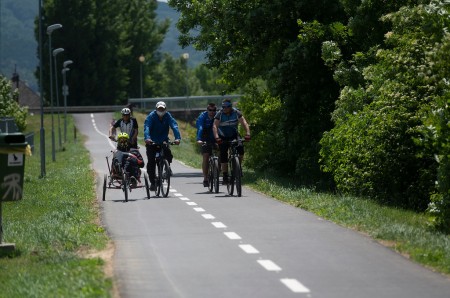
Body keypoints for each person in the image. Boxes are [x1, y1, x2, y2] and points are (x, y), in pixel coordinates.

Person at [144, 101, 181, 190]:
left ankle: (167, 169)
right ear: (156, 109)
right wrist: (147, 138)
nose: (161, 110)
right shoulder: (151, 116)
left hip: (163, 140)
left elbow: (174, 126)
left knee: (168, 154)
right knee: (151, 163)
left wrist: (177, 138)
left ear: (165, 109)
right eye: (159, 109)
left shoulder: (168, 116)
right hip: (152, 141)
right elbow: (147, 127)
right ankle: (153, 182)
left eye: (162, 109)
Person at [213, 98, 251, 184]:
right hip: (222, 136)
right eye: (223, 107)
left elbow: (244, 123)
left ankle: (238, 167)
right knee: (223, 154)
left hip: (234, 135)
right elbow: (215, 126)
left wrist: (248, 133)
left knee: (241, 149)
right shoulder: (220, 114)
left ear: (231, 106)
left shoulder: (236, 112)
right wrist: (217, 137)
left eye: (227, 106)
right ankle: (225, 175)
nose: (225, 108)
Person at [196, 103, 218, 187]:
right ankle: (205, 178)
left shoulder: (218, 116)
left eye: (214, 110)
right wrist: (199, 139)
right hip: (204, 137)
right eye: (210, 110)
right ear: (207, 110)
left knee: (222, 153)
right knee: (206, 156)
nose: (212, 112)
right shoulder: (202, 117)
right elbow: (200, 127)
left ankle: (218, 170)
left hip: (215, 136)